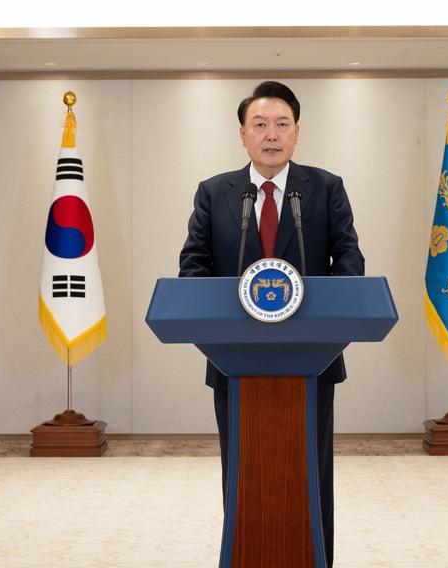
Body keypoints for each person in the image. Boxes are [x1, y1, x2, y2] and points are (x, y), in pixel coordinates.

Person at [178, 80, 364, 566]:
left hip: (313, 361)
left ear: (297, 132)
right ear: (242, 134)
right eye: (259, 125)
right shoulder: (214, 193)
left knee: (311, 471)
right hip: (233, 360)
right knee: (241, 470)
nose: (271, 134)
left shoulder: (325, 188)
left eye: (282, 124)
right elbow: (192, 268)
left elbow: (349, 263)